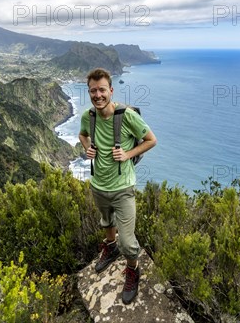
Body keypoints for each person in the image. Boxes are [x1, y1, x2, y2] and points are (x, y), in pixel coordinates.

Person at [79, 68, 157, 305]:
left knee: (127, 240)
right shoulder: (88, 116)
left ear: (111, 90)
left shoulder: (126, 116)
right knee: (106, 222)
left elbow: (152, 140)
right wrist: (86, 147)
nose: (98, 95)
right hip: (98, 185)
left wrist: (128, 154)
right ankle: (110, 248)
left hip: (123, 188)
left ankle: (133, 270)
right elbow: (83, 135)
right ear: (89, 92)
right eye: (93, 90)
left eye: (102, 89)